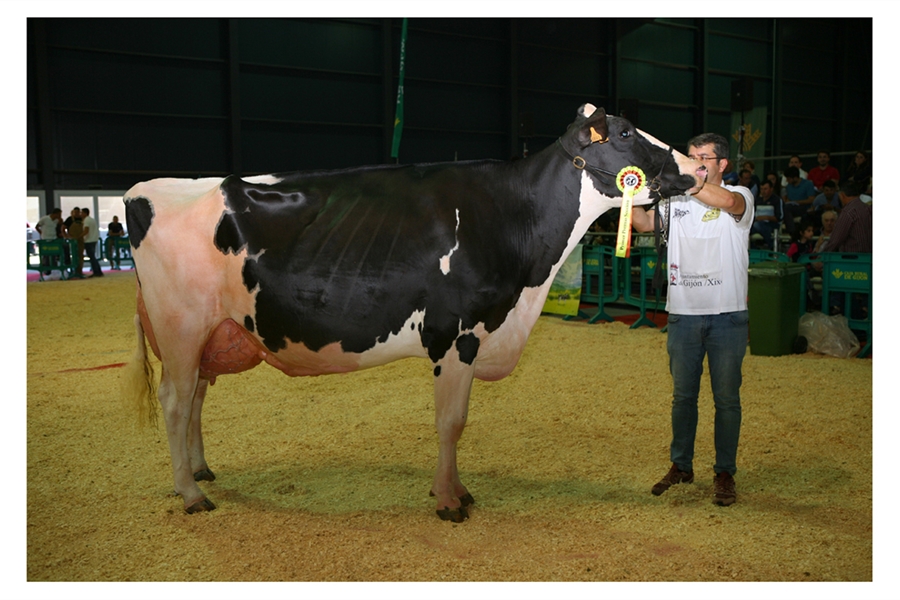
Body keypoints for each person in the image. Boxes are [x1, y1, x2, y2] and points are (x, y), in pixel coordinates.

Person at [631, 132, 754, 508]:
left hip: (727, 314)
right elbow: (643, 224)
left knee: (726, 399)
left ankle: (725, 472)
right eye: (691, 155)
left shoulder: (740, 195)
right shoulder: (674, 199)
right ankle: (681, 465)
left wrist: (687, 181)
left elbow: (727, 202)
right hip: (683, 314)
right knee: (683, 397)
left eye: (704, 156)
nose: (696, 161)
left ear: (723, 164)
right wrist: (626, 195)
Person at [820, 180, 872, 254]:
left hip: (852, 259)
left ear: (842, 195)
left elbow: (836, 240)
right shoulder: (866, 207)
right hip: (869, 258)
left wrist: (823, 256)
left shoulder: (848, 212)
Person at [750, 179, 783, 250]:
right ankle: (754, 249)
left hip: (772, 224)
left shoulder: (777, 200)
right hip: (757, 223)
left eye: (765, 189)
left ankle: (772, 246)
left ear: (771, 189)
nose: (763, 191)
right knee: (744, 229)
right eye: (761, 189)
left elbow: (779, 217)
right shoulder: (757, 200)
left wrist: (765, 217)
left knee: (758, 225)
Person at [81, 207, 103, 277]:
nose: (81, 214)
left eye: (82, 213)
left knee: (92, 257)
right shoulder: (92, 220)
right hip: (94, 240)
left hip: (89, 240)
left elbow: (86, 230)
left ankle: (96, 272)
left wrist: (79, 236)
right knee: (93, 257)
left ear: (85, 213)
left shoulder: (86, 220)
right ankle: (98, 271)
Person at [65, 207, 84, 276]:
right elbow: (63, 227)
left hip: (81, 239)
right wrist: (66, 236)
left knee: (80, 255)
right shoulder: (69, 219)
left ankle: (80, 270)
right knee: (73, 255)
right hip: (72, 240)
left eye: (78, 212)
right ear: (72, 212)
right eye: (75, 212)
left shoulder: (82, 219)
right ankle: (73, 270)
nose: (76, 214)